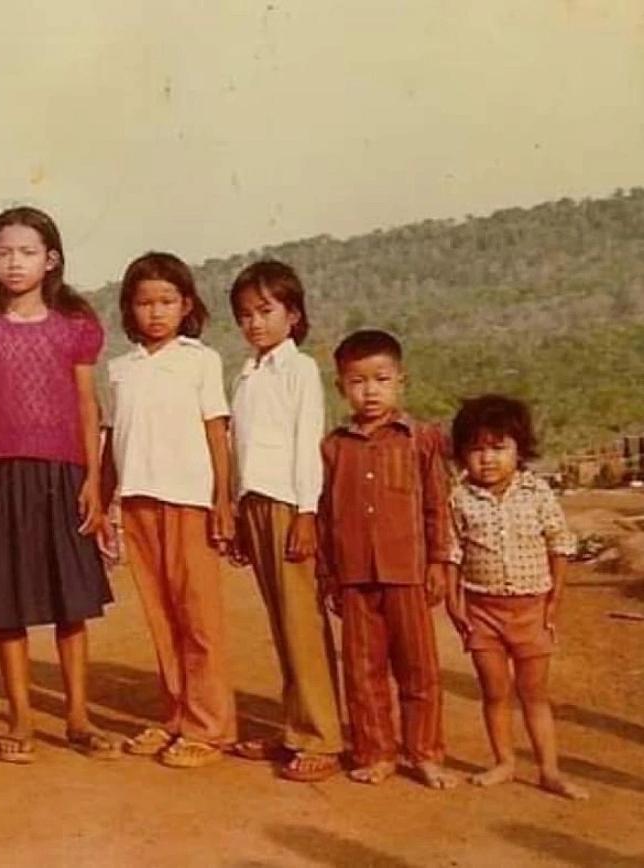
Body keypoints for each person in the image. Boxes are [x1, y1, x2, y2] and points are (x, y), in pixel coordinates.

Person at [0, 206, 119, 765]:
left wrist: (95, 481)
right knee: (10, 605)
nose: (15, 263)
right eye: (3, 253)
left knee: (70, 604)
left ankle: (78, 716)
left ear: (50, 260)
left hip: (62, 474)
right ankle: (20, 717)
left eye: (26, 252)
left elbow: (87, 404)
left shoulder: (75, 328)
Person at [99, 252, 237, 768]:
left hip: (189, 502)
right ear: (129, 309)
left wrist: (224, 500)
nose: (155, 312)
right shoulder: (121, 369)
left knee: (198, 618)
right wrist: (102, 494)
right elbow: (111, 439)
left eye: (166, 302)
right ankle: (177, 716)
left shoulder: (200, 360)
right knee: (160, 618)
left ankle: (211, 726)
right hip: (137, 502)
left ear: (186, 305)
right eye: (144, 303)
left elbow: (216, 433)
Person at [318, 329, 456, 788]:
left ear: (401, 380)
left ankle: (425, 752)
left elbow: (437, 505)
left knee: (418, 668)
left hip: (408, 573)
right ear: (341, 387)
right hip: (355, 576)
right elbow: (324, 516)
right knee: (363, 671)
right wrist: (329, 576)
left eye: (381, 379)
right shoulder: (333, 447)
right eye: (358, 382)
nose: (370, 390)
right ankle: (376, 751)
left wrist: (438, 562)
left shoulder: (422, 439)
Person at [227, 260, 344, 782]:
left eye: (266, 311)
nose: (255, 323)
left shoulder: (299, 371)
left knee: (302, 620)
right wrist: (233, 507)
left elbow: (305, 444)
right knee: (281, 623)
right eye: (245, 315)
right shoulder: (247, 375)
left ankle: (323, 736)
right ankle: (295, 728)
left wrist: (306, 512)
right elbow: (238, 447)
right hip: (253, 503)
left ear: (293, 315)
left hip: (288, 504)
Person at [445, 395, 588, 799]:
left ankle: (549, 769)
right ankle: (504, 762)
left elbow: (559, 544)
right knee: (494, 691)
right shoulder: (459, 498)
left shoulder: (537, 492)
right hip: (483, 611)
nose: (487, 458)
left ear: (519, 449)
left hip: (531, 610)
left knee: (534, 694)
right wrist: (454, 603)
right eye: (476, 449)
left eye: (498, 447)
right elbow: (452, 551)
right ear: (461, 455)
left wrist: (554, 600)